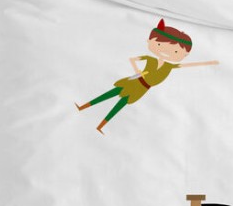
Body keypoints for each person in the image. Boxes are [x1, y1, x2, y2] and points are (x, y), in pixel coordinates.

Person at [75, 20, 218, 133]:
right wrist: (138, 70)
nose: (166, 52)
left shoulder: (169, 66)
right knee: (108, 95)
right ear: (150, 42)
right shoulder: (150, 59)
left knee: (119, 105)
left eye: (176, 52)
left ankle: (100, 126)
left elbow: (188, 65)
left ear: (184, 55)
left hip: (143, 88)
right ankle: (82, 107)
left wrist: (208, 62)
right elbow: (133, 59)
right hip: (135, 81)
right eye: (160, 45)